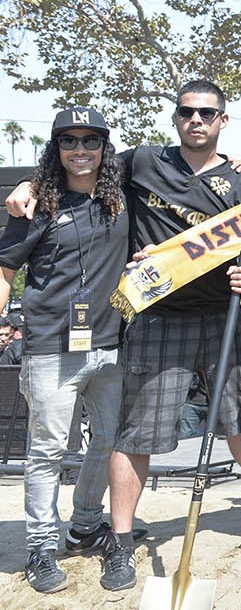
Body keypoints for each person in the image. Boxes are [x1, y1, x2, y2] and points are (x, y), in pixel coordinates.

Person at [1, 82, 241, 592]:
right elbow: (68, 167)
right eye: (187, 112)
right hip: (152, 321)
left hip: (215, 319)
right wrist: (26, 185)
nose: (196, 120)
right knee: (127, 435)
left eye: (207, 113)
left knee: (236, 415)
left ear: (223, 119)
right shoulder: (142, 164)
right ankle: (105, 538)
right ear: (175, 118)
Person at [0, 109, 128, 593]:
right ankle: (40, 546)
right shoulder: (35, 206)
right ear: (55, 150)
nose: (81, 150)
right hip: (51, 347)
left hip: (111, 344)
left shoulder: (120, 199)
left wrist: (233, 163)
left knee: (110, 440)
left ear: (104, 148)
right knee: (48, 450)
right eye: (69, 141)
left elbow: (184, 163)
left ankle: (86, 524)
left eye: (90, 141)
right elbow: (6, 269)